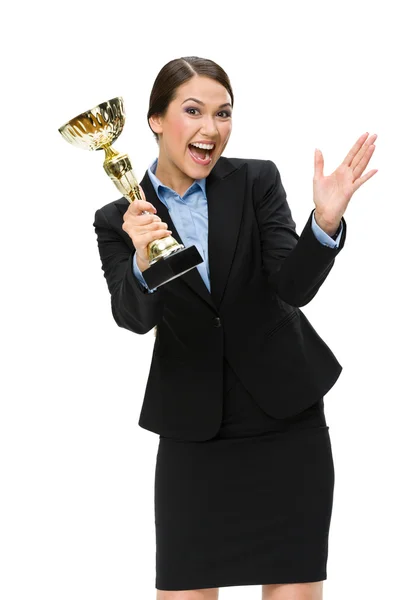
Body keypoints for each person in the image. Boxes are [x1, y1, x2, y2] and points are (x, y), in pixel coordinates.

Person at [93, 56, 377, 600]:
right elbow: (133, 318)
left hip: (285, 421)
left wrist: (324, 223)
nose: (211, 128)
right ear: (156, 120)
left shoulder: (254, 180)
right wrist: (141, 255)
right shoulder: (118, 218)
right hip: (193, 429)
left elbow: (291, 288)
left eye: (223, 113)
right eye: (193, 111)